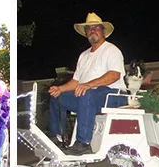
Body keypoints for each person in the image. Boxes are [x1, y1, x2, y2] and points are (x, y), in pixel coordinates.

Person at [47, 13, 126, 156]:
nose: (92, 30)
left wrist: (88, 85)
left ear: (103, 31)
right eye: (89, 28)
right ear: (85, 33)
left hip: (114, 95)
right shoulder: (83, 56)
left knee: (86, 93)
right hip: (89, 97)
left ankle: (83, 143)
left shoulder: (111, 50)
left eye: (96, 27)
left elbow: (114, 75)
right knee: (56, 96)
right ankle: (58, 138)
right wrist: (60, 88)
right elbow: (76, 81)